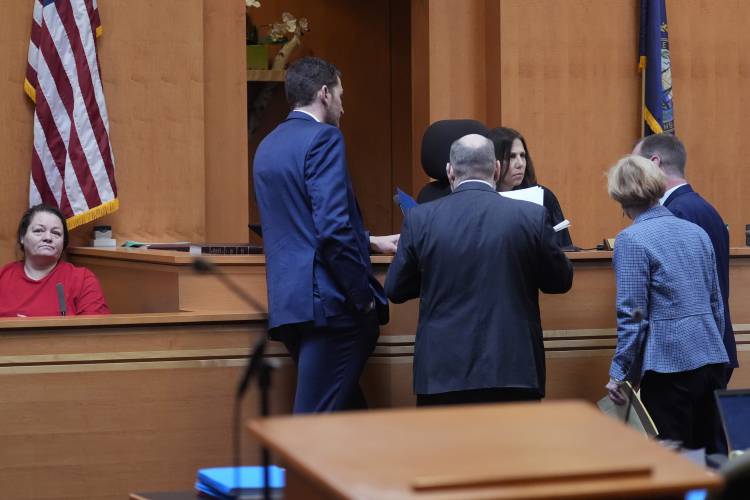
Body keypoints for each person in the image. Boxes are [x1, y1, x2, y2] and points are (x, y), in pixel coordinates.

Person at [253, 57, 399, 414]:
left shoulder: (267, 146)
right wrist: (361, 296)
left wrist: (367, 240)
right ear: (324, 93)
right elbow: (331, 230)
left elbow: (299, 224)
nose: (343, 105)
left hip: (290, 306)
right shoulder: (324, 138)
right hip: (331, 307)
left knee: (347, 415)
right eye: (340, 95)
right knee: (314, 425)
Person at [385, 134, 573, 406]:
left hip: (442, 373)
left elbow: (396, 289)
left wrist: (432, 274)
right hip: (514, 370)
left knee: (448, 450)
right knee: (513, 449)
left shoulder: (419, 219)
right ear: (496, 169)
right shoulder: (531, 216)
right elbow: (561, 281)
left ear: (450, 171)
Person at [605, 155, 728, 453]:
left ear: (620, 194)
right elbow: (716, 303)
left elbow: (633, 314)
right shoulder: (696, 233)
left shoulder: (631, 240)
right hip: (711, 358)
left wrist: (619, 372)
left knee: (673, 463)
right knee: (709, 459)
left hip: (669, 367)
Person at [633, 133, 737, 388]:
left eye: (635, 166)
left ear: (654, 163)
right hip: (710, 350)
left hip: (688, 359)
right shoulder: (702, 207)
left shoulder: (676, 214)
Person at [0, 204, 110, 317]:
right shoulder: (3, 277)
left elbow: (96, 331)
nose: (48, 238)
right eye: (38, 230)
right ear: (22, 237)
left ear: (63, 242)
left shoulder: (82, 279)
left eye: (56, 233)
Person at [486, 127, 573, 248]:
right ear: (494, 162)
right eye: (511, 157)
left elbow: (565, 249)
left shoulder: (543, 196)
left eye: (522, 155)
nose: (520, 164)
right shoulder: (482, 200)